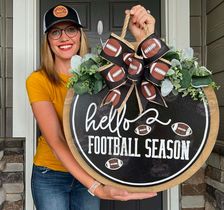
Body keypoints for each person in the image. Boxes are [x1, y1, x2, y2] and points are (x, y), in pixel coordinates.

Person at [26, 4, 157, 210]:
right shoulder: (37, 80)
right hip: (50, 174)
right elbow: (56, 139)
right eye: (55, 32)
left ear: (80, 35)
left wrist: (143, 37)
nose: (64, 37)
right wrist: (96, 188)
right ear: (48, 41)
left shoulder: (102, 72)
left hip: (90, 169)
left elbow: (140, 79)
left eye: (71, 29)